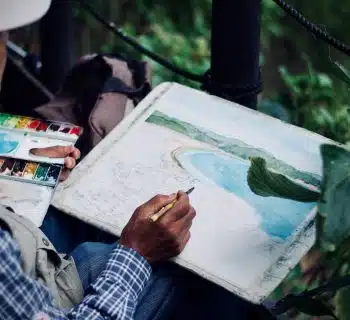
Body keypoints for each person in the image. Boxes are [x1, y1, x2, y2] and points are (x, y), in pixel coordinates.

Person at [0, 2, 253, 319]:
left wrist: (12, 163)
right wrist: (136, 254)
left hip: (25, 250)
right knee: (215, 280)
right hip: (47, 294)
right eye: (2, 38)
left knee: (91, 225)